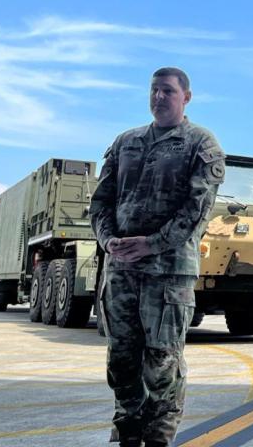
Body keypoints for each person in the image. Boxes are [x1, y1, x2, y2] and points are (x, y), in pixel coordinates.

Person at [90, 67, 225, 447]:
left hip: (168, 273)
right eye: (154, 90)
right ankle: (128, 433)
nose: (159, 97)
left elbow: (197, 210)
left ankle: (160, 438)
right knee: (122, 359)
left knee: (162, 362)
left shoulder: (201, 143)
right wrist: (108, 240)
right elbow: (101, 201)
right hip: (122, 270)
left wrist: (152, 244)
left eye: (168, 91)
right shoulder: (125, 142)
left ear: (186, 97)